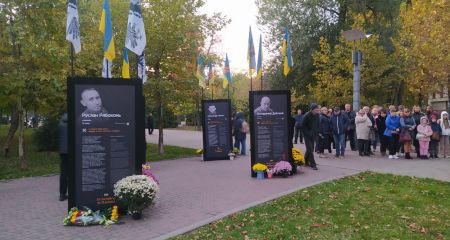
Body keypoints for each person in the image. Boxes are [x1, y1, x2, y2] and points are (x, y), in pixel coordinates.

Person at [301, 103, 321, 170]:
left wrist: (317, 132)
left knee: (310, 149)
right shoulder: (307, 116)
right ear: (312, 109)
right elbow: (302, 126)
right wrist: (308, 133)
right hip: (307, 135)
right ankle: (313, 164)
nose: (318, 110)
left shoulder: (317, 115)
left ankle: (305, 161)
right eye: (316, 109)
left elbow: (318, 124)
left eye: (318, 109)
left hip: (313, 135)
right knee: (310, 149)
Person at [58, 113, 68, 201]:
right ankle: (74, 193)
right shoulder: (74, 122)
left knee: (63, 173)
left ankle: (62, 194)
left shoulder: (60, 123)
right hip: (72, 152)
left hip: (62, 151)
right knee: (73, 173)